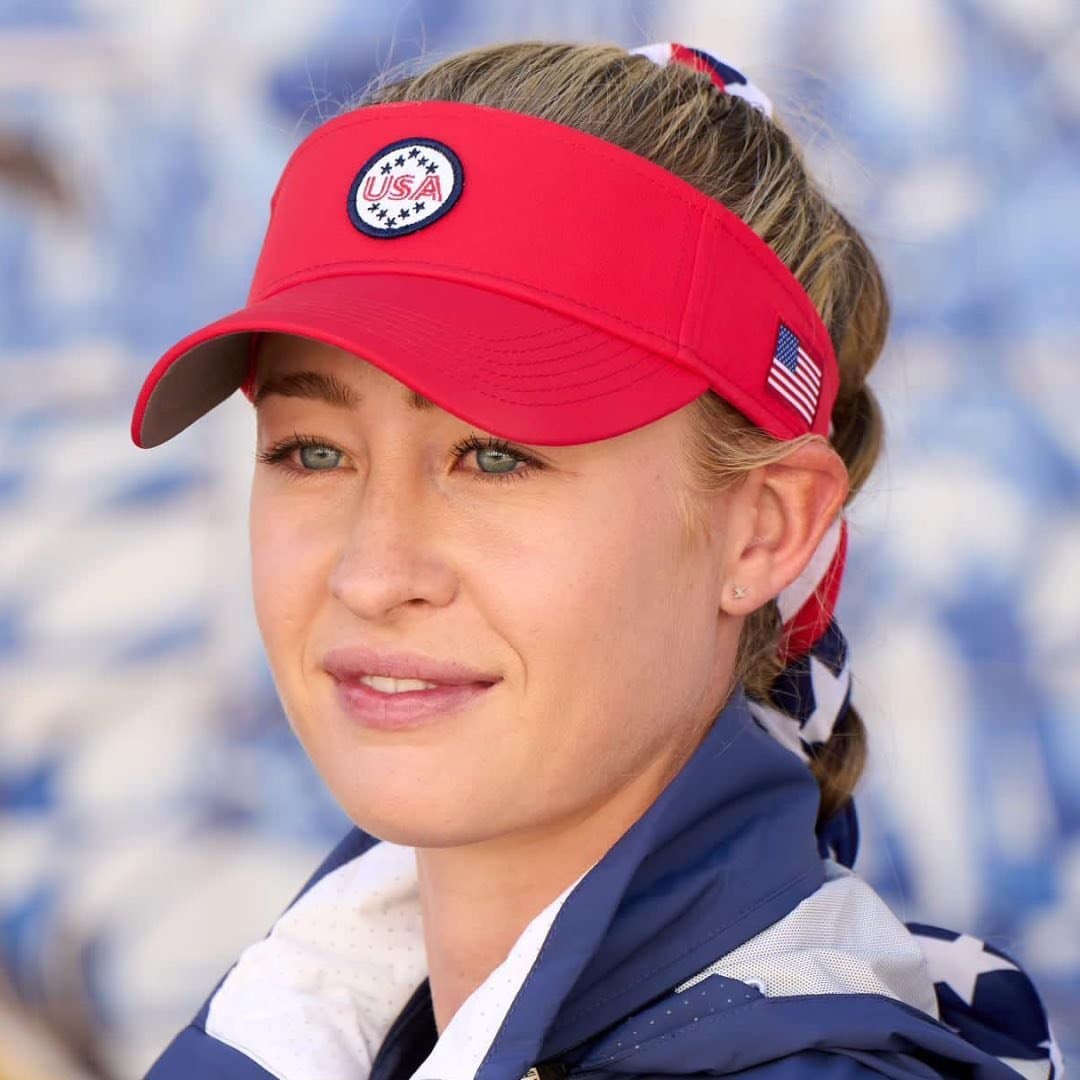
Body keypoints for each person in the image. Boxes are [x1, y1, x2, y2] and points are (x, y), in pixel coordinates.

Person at [128, 40, 1063, 1080]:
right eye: (313, 452)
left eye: (492, 457)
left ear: (763, 529)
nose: (371, 573)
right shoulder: (308, 1014)